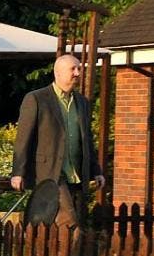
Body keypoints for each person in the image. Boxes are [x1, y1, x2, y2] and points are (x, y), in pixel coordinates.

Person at [9, 53, 104, 228]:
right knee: (70, 222)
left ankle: (47, 246)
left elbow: (87, 140)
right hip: (50, 172)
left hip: (76, 174)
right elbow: (23, 138)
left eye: (79, 69)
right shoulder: (37, 99)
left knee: (60, 224)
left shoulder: (82, 103)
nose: (78, 73)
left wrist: (96, 170)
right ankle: (75, 244)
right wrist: (18, 172)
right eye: (73, 69)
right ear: (58, 72)